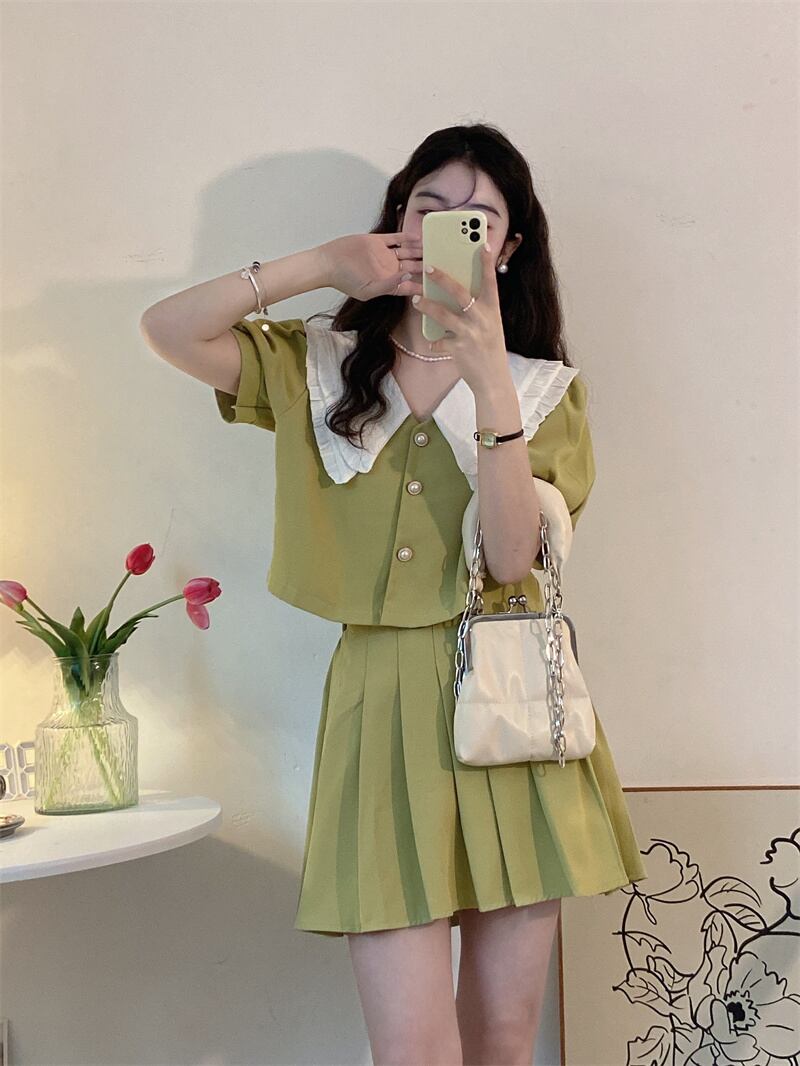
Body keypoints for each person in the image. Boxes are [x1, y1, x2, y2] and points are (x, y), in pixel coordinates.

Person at [140, 122, 648, 1066]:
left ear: (508, 247)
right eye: (428, 207)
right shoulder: (320, 366)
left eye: (478, 219)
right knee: (412, 1050)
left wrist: (489, 378)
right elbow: (170, 328)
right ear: (397, 219)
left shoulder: (541, 393)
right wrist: (322, 265)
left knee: (502, 1039)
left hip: (510, 714)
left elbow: (510, 562)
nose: (448, 230)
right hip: (379, 716)